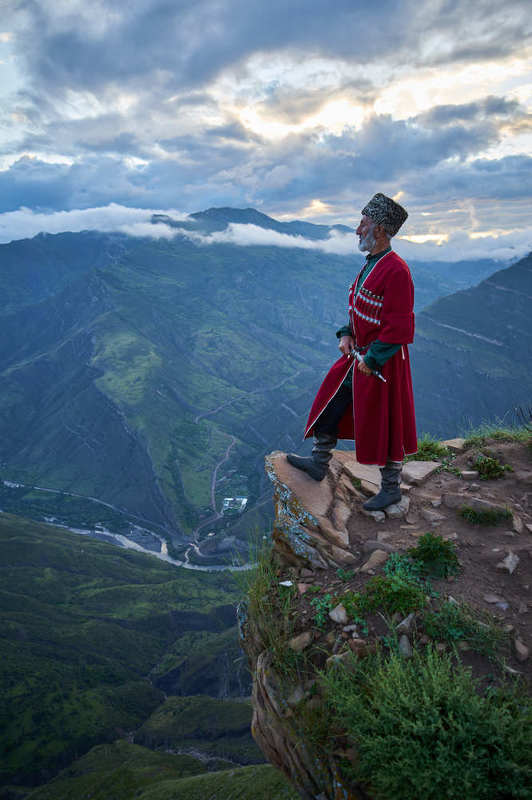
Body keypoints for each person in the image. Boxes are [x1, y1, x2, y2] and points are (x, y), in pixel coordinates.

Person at [287, 193, 417, 511]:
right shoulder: (372, 264)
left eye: (364, 224)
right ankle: (319, 463)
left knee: (384, 420)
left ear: (380, 229)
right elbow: (361, 310)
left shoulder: (396, 271)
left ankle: (390, 488)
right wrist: (346, 333)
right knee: (332, 402)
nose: (358, 230)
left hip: (382, 362)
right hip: (358, 356)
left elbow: (399, 327)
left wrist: (373, 359)